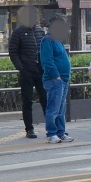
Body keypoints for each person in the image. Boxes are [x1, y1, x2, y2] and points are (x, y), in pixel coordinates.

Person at [8, 5, 47, 139]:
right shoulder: (18, 32)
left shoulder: (40, 31)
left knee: (45, 99)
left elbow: (45, 50)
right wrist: (21, 68)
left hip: (41, 71)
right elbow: (13, 53)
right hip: (27, 71)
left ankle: (51, 126)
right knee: (27, 100)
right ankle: (29, 128)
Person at [39, 16, 73, 144]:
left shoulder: (57, 40)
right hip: (55, 80)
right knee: (53, 108)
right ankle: (52, 133)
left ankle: (61, 132)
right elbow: (47, 60)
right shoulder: (48, 40)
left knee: (61, 108)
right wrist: (56, 75)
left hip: (62, 79)